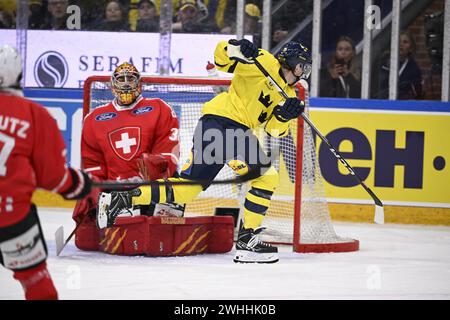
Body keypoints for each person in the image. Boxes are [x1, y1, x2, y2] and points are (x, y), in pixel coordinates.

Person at [97, 39, 312, 264]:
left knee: (187, 188)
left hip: (217, 128)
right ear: (291, 60)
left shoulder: (289, 94)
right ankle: (247, 240)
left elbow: (274, 131)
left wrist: (285, 116)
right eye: (302, 66)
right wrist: (235, 47)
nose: (303, 72)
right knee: (267, 177)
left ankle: (120, 200)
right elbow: (221, 60)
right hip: (227, 124)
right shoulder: (265, 61)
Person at [0, 44, 92, 300]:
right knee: (35, 281)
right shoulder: (34, 114)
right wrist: (77, 184)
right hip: (10, 217)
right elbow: (53, 178)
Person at [72, 62, 181, 250]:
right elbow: (93, 165)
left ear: (139, 83)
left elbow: (169, 155)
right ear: (112, 84)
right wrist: (94, 191)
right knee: (86, 241)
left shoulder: (159, 108)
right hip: (114, 193)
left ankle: (157, 218)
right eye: (120, 79)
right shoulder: (94, 119)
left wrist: (151, 170)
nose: (125, 84)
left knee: (159, 234)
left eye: (130, 78)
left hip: (149, 190)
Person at [379, 31, 423, 99]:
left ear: (411, 48)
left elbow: (417, 94)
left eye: (405, 42)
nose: (401, 44)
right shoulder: (382, 61)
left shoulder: (414, 69)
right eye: (398, 41)